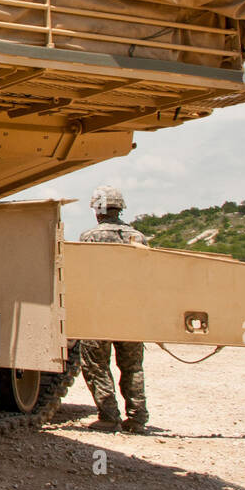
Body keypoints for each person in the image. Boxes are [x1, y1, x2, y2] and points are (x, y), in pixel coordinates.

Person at [78, 185, 150, 433]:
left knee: (96, 365)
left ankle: (108, 416)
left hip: (99, 311)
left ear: (98, 210)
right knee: (132, 367)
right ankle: (137, 417)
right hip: (131, 312)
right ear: (119, 208)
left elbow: (82, 275)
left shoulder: (90, 237)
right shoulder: (138, 238)